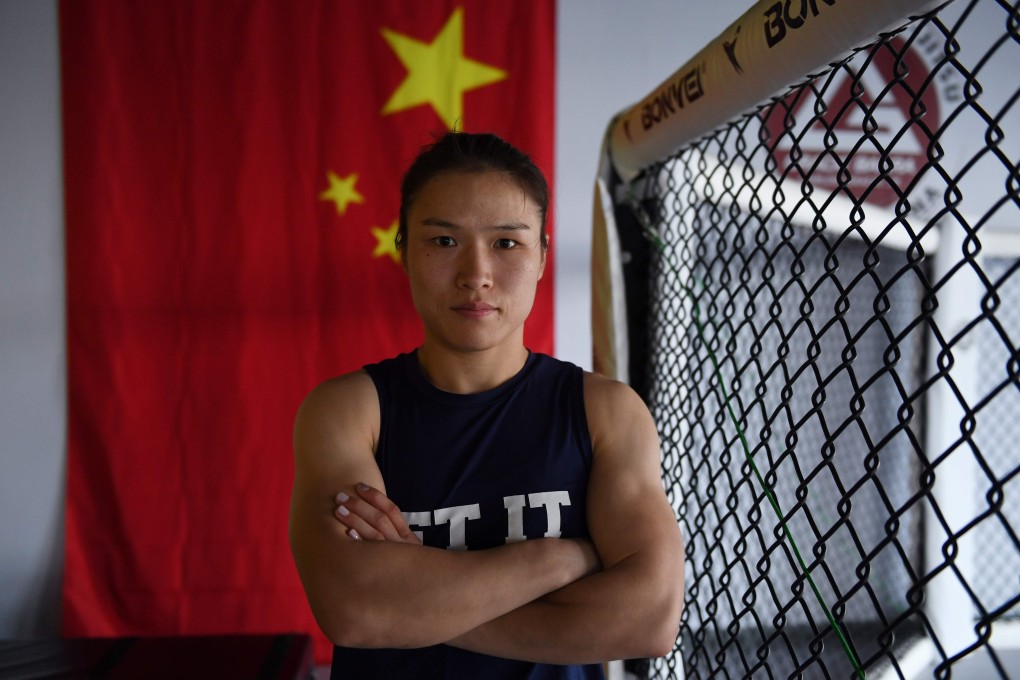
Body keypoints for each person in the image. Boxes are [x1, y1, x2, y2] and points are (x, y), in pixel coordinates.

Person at [289, 131, 684, 679]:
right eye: (443, 241)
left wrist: (410, 606)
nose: (476, 274)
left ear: (543, 255)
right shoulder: (349, 412)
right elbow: (354, 611)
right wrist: (565, 558)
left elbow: (648, 621)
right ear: (403, 250)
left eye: (506, 243)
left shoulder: (604, 412)